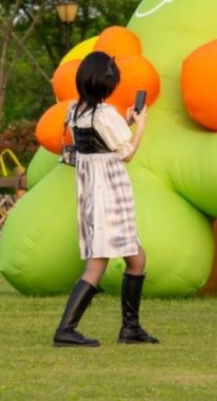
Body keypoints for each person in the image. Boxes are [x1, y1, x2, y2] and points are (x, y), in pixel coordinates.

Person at [52, 51, 158, 347]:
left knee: (136, 257)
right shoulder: (105, 114)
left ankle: (131, 328)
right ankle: (66, 330)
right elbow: (126, 152)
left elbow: (100, 135)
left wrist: (126, 119)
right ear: (109, 84)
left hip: (92, 193)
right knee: (97, 265)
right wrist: (142, 125)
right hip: (109, 194)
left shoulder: (75, 111)